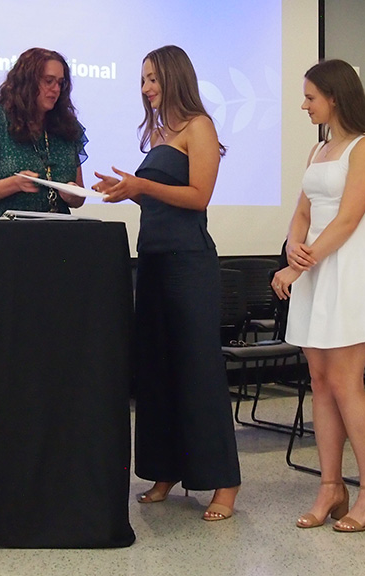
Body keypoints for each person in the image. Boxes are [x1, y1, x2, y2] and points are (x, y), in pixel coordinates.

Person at [92, 45, 240, 521]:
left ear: (174, 78)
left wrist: (141, 187)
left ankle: (224, 482)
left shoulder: (199, 126)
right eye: (142, 81)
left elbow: (197, 197)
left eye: (153, 79)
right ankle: (165, 470)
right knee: (156, 370)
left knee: (198, 368)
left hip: (189, 263)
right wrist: (123, 193)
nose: (146, 88)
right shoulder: (157, 133)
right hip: (152, 261)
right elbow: (157, 199)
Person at [272, 59, 365, 532]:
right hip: (316, 266)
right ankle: (330, 486)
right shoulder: (319, 150)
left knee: (347, 382)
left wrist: (299, 262)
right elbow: (303, 211)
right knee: (320, 382)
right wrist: (293, 245)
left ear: (335, 97)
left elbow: (347, 219)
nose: (304, 105)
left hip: (347, 267)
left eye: (310, 97)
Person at [0, 47, 87, 216]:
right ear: (27, 82)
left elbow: (78, 199)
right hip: (5, 235)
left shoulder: (67, 128)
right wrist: (14, 184)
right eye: (49, 81)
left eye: (60, 83)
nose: (56, 89)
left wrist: (72, 195)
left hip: (58, 234)